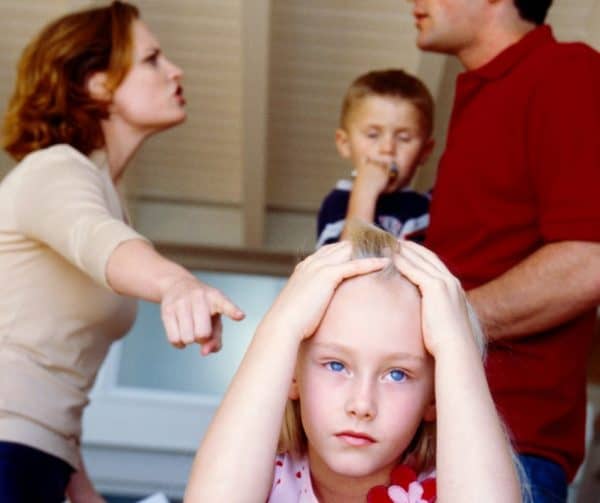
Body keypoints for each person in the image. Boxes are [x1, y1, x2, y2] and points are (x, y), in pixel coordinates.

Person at [0, 2, 245, 502]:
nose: (175, 69)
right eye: (152, 58)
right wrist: (177, 282)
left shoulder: (107, 197)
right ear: (97, 83)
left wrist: (85, 493)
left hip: (37, 457)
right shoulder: (55, 170)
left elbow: (52, 385)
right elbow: (96, 238)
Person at [408, 0, 600, 500]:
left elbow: (589, 260)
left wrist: (432, 324)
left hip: (506, 453)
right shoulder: (478, 93)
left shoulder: (566, 72)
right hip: (433, 444)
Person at [185, 223, 523, 502]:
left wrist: (455, 344)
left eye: (397, 374)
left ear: (436, 396)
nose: (362, 405)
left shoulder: (448, 488)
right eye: (335, 365)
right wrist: (280, 328)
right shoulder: (258, 475)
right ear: (290, 375)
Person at [316, 69, 434, 248]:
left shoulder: (428, 207)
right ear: (345, 143)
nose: (387, 148)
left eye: (403, 138)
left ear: (425, 151)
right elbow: (350, 267)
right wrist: (365, 192)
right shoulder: (338, 202)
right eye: (373, 135)